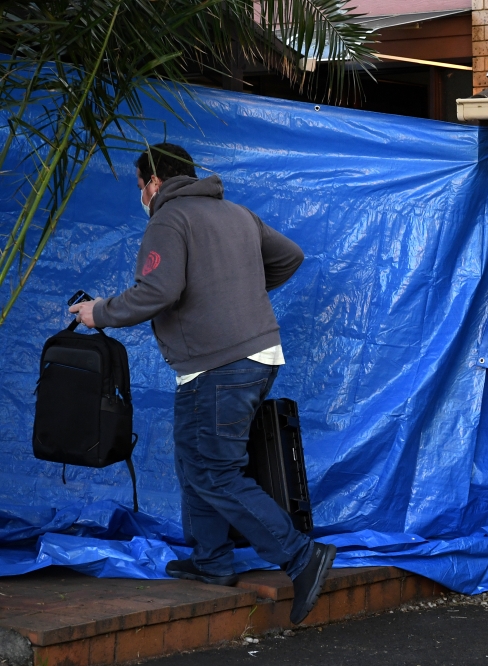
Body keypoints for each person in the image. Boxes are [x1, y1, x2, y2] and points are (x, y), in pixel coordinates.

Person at [69, 142, 336, 625]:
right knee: (194, 457)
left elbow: (158, 290)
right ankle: (212, 561)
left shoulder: (168, 220)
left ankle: (301, 557)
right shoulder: (235, 213)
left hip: (221, 362)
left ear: (154, 183)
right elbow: (290, 256)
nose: (142, 195)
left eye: (140, 186)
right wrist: (236, 292)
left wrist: (98, 313)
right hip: (252, 354)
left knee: (215, 470)